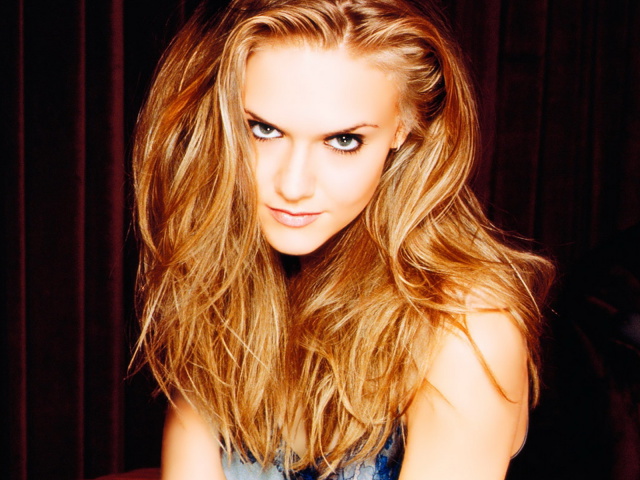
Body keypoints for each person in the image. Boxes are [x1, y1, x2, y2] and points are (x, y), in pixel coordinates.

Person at [132, 0, 554, 478]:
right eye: (263, 130)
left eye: (343, 141)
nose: (293, 185)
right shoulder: (228, 276)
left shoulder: (464, 332)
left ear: (404, 128)